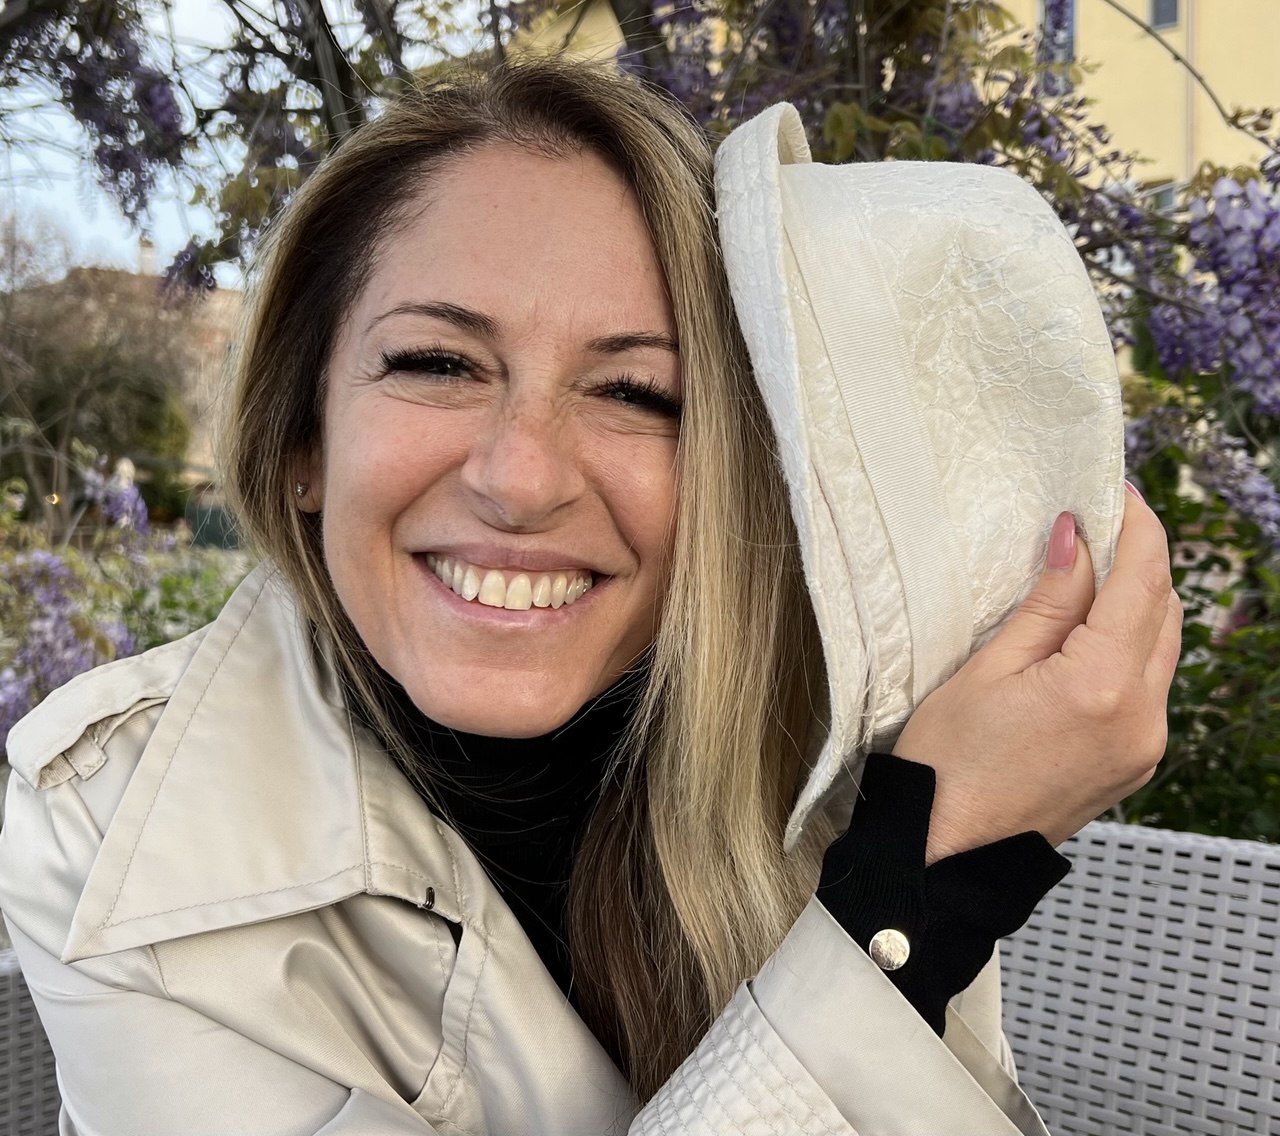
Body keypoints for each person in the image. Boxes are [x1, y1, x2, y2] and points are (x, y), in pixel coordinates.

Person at [0, 58, 1179, 1135]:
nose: (519, 477)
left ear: (732, 471)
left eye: (635, 393)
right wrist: (915, 894)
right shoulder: (112, 822)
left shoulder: (832, 743)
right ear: (303, 439)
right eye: (436, 363)